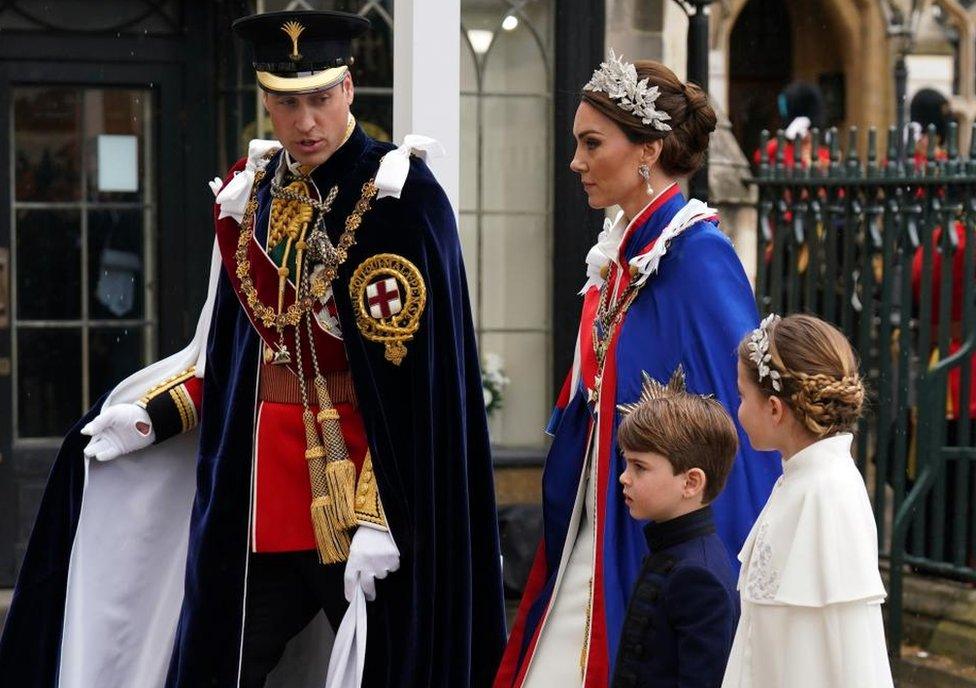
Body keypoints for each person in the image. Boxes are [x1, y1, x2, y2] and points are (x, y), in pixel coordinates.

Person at [0, 9, 506, 688]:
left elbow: (419, 391)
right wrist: (156, 417)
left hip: (361, 502)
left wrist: (383, 515)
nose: (305, 122)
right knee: (220, 666)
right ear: (265, 99)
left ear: (350, 89)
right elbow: (235, 358)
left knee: (392, 667)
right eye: (287, 102)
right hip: (262, 495)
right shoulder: (255, 192)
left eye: (321, 98)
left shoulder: (400, 197)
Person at [493, 51, 779, 688]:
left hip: (651, 540)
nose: (576, 162)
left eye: (592, 144)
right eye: (576, 143)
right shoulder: (621, 254)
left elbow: (742, 428)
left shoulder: (698, 257)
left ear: (647, 150)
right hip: (596, 526)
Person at [722, 314, 893, 688]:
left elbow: (828, 654)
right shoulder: (801, 481)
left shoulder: (823, 496)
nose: (738, 410)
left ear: (774, 409)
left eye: (742, 396)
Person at [612, 369, 739, 688]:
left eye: (639, 467)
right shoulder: (670, 550)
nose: (624, 477)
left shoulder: (698, 575)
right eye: (627, 463)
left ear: (691, 481)